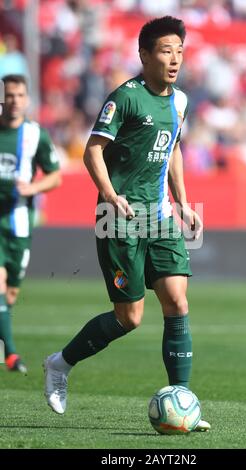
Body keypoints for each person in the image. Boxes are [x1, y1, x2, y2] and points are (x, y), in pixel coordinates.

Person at [44, 16, 210, 431]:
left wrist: (184, 203)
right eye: (166, 50)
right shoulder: (126, 98)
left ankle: (184, 403)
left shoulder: (181, 101)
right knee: (129, 318)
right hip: (117, 217)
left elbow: (172, 150)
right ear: (145, 55)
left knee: (178, 302)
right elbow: (92, 151)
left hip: (160, 216)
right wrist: (111, 196)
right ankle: (60, 364)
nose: (175, 59)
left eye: (180, 51)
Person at [0, 74, 61, 373]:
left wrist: (32, 188)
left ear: (26, 99)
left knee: (10, 294)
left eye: (19, 95)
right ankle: (11, 355)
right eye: (8, 95)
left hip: (19, 225)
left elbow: (55, 175)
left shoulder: (35, 135)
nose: (13, 101)